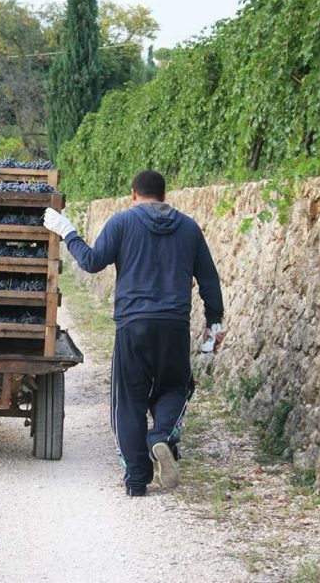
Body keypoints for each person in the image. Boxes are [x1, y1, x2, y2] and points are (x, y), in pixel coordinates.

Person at [43, 170, 225, 496]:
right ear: (164, 195)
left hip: (132, 325)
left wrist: (66, 230)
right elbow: (209, 281)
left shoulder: (122, 223)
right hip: (174, 325)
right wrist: (215, 324)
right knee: (176, 386)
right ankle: (160, 436)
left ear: (133, 194)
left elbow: (92, 261)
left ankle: (137, 480)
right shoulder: (188, 228)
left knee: (128, 401)